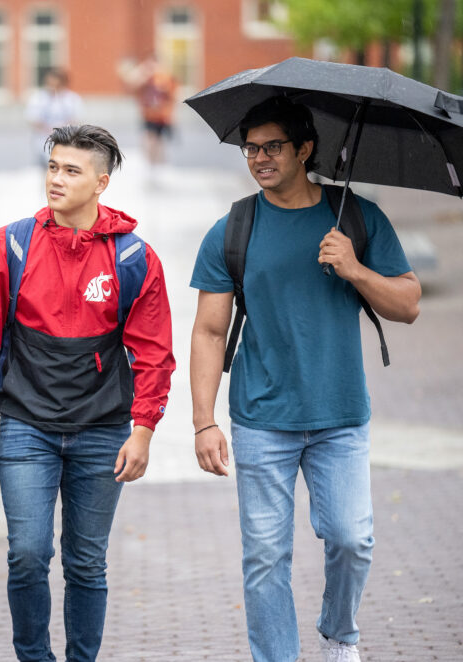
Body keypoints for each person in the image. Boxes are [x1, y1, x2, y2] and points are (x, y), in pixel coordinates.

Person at [189, 96, 421, 662]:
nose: (259, 158)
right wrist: (203, 421)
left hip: (340, 414)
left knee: (351, 539)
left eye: (273, 147)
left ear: (306, 149)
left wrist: (355, 268)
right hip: (261, 418)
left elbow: (409, 304)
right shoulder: (232, 230)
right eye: (251, 148)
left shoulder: (357, 219)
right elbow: (209, 333)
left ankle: (339, 635)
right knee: (265, 556)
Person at [0, 125, 175, 661]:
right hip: (27, 426)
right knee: (27, 555)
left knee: (85, 562)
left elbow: (154, 353)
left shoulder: (133, 260)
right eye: (52, 166)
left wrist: (142, 431)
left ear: (101, 183)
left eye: (71, 170)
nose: (56, 178)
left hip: (103, 432)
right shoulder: (8, 246)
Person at [24, 68, 83, 165]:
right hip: (42, 141)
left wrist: (60, 131)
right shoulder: (38, 98)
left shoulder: (72, 99)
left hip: (65, 143)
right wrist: (48, 129)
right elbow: (33, 118)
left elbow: (75, 120)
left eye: (56, 84)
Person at [130, 56, 177, 174]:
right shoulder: (145, 80)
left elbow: (172, 96)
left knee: (159, 141)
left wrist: (171, 113)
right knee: (150, 140)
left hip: (162, 116)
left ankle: (158, 165)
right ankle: (150, 164)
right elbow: (133, 87)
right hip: (149, 115)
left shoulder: (164, 79)